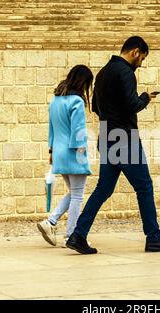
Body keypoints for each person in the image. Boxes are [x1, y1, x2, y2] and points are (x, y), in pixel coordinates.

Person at [66, 36, 160, 254]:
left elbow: (97, 108)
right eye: (143, 58)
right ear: (136, 52)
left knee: (103, 189)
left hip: (107, 136)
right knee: (144, 186)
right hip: (125, 139)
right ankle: (153, 237)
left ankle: (78, 235)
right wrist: (145, 98)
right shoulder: (126, 72)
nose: (142, 64)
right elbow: (132, 105)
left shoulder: (101, 74)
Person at [37, 65, 94, 247]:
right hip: (73, 152)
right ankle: (71, 235)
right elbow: (79, 130)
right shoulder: (76, 101)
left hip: (59, 153)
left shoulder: (55, 100)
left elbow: (51, 129)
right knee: (78, 195)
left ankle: (51, 222)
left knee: (74, 192)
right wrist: (81, 152)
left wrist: (51, 151)